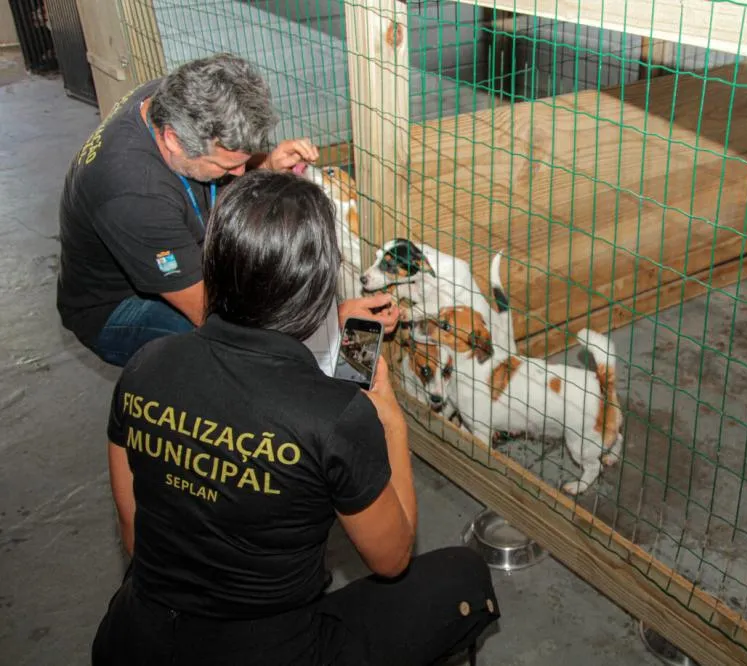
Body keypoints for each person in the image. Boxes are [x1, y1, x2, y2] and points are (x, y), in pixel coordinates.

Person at [92, 170, 499, 666]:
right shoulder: (334, 415)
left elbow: (135, 538)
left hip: (133, 642)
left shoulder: (144, 367)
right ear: (316, 286)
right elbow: (392, 559)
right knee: (464, 573)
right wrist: (388, 415)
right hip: (269, 651)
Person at [56, 52, 397, 368]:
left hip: (170, 248)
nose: (240, 174)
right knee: (239, 359)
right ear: (174, 140)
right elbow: (214, 317)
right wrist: (332, 320)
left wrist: (267, 164)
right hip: (118, 306)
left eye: (244, 161)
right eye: (227, 165)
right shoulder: (136, 197)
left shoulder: (176, 98)